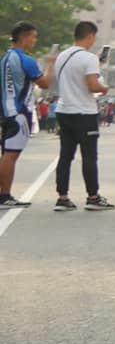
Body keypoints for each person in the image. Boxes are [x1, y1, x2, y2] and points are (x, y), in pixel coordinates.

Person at [44, 22, 112, 212]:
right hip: (84, 112)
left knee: (65, 155)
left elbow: (73, 78)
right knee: (89, 156)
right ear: (90, 36)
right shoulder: (88, 58)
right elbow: (92, 86)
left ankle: (63, 197)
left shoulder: (62, 56)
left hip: (64, 110)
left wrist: (96, 65)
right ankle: (92, 196)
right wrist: (104, 88)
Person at [1, 23, 43, 208]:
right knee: (11, 156)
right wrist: (50, 63)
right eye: (33, 37)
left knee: (6, 154)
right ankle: (4, 195)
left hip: (7, 111)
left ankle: (3, 194)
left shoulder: (5, 58)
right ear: (24, 37)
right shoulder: (26, 60)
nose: (34, 41)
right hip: (19, 113)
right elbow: (46, 82)